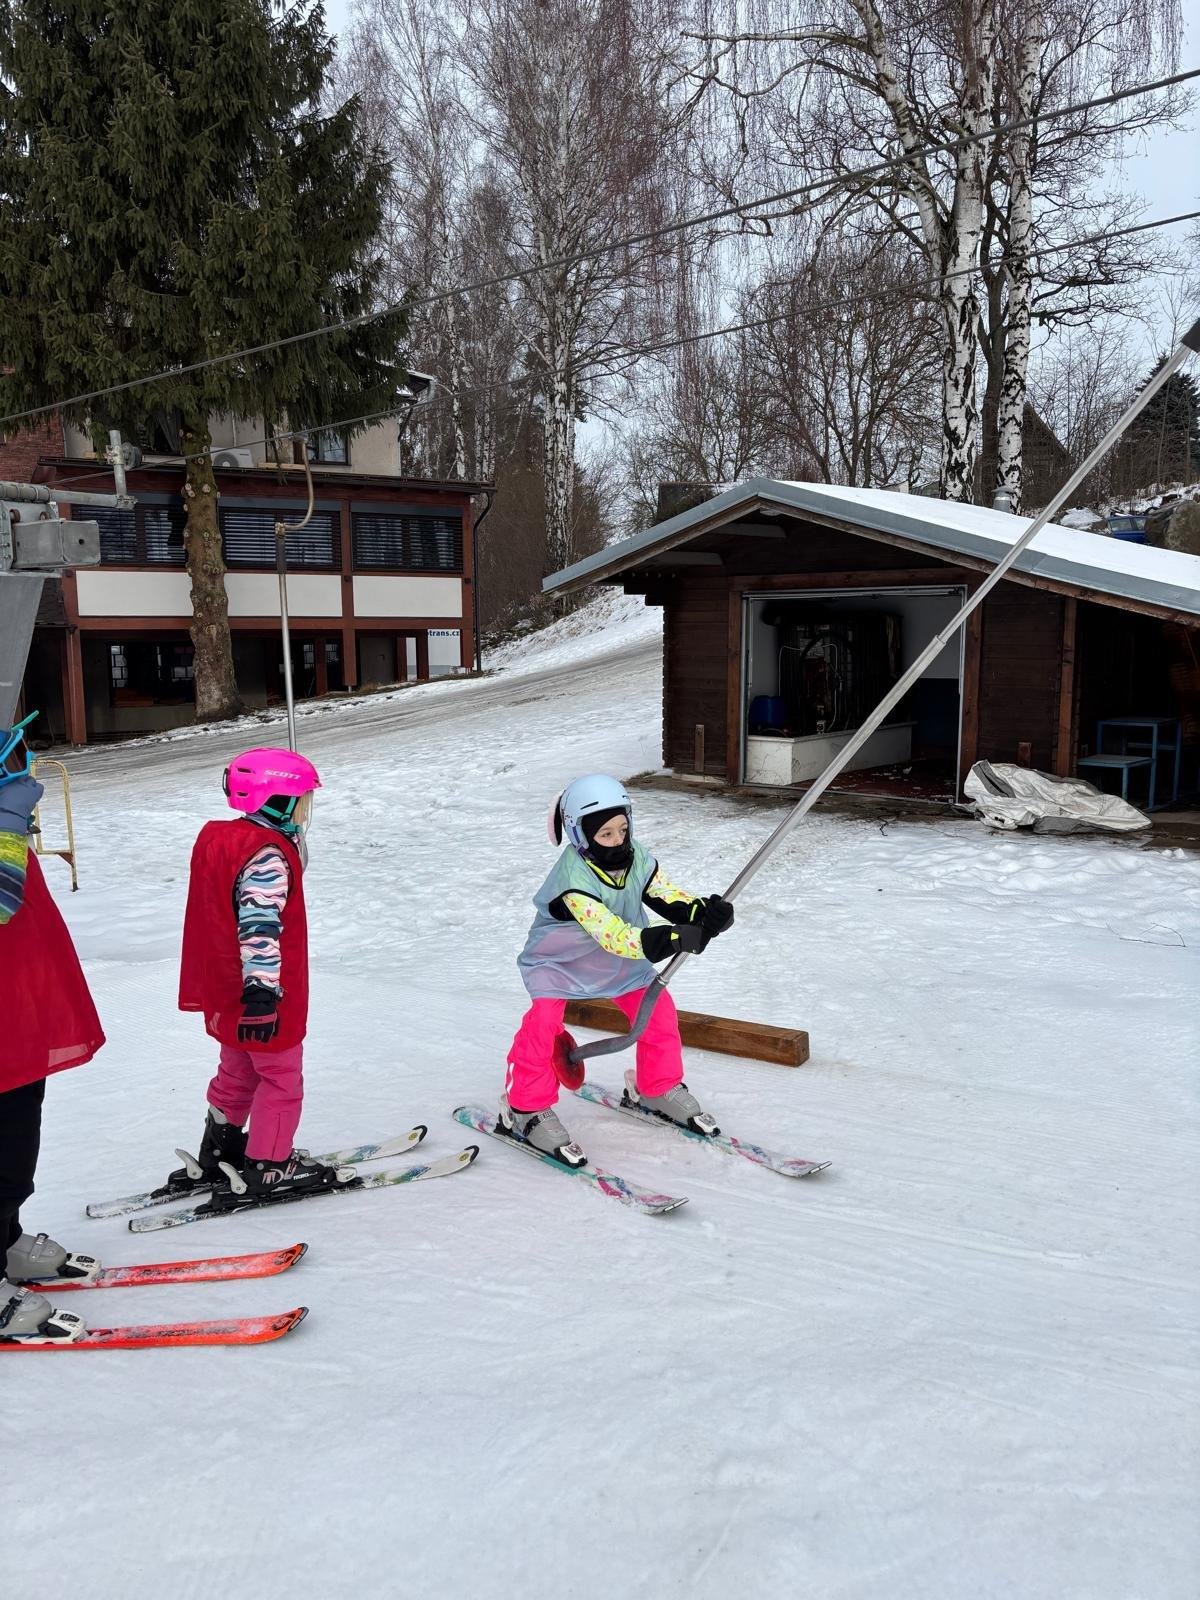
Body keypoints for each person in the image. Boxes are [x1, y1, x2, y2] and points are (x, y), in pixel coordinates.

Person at [501, 773, 735, 1166]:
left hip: (619, 961)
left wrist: (701, 913)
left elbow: (664, 895)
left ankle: (656, 1086)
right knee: (543, 1023)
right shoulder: (572, 880)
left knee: (658, 1012)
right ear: (580, 835)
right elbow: (612, 934)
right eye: (605, 834)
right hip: (560, 962)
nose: (618, 840)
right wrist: (673, 938)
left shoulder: (636, 857)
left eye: (623, 829)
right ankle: (525, 1107)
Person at [176, 746, 354, 1205]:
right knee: (280, 1078)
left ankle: (219, 1153)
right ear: (277, 799)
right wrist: (262, 994)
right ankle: (270, 1165)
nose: (305, 811)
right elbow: (259, 929)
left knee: (236, 1070)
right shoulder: (267, 856)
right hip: (264, 993)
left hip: (226, 988)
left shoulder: (224, 840)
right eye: (302, 800)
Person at [0, 712, 105, 1344]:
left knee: (16, 1143)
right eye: (17, 763)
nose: (29, 773)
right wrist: (6, 828)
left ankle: (7, 1239)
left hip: (14, 1018)